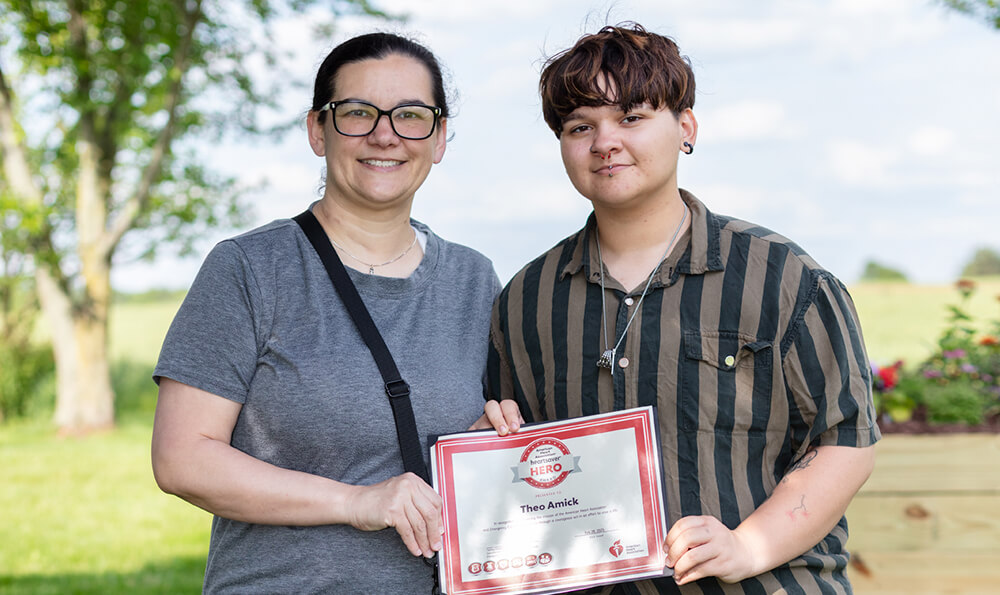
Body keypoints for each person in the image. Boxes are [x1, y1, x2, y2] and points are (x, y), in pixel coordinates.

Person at [482, 23, 879, 593]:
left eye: (631, 117)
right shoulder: (527, 299)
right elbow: (518, 463)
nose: (604, 142)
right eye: (580, 126)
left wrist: (749, 545)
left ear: (685, 127)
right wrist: (494, 444)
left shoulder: (784, 277)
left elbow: (846, 440)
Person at [151, 32, 501, 593]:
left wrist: (494, 444)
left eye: (411, 115)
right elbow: (182, 458)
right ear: (318, 130)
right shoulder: (249, 269)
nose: (385, 134)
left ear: (439, 139)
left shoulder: (474, 279)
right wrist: (356, 502)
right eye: (358, 112)